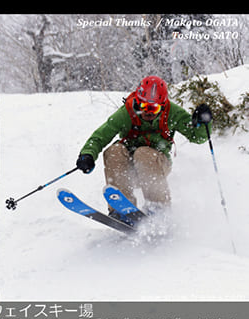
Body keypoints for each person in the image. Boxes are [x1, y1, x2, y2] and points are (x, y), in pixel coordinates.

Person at [76, 75, 212, 217]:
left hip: (157, 165)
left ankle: (159, 208)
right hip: (128, 170)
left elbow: (198, 137)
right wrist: (88, 154)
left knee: (143, 153)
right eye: (143, 106)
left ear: (163, 105)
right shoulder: (127, 112)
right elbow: (101, 135)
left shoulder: (173, 113)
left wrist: (204, 122)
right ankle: (122, 209)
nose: (147, 112)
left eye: (153, 108)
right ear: (137, 102)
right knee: (114, 151)